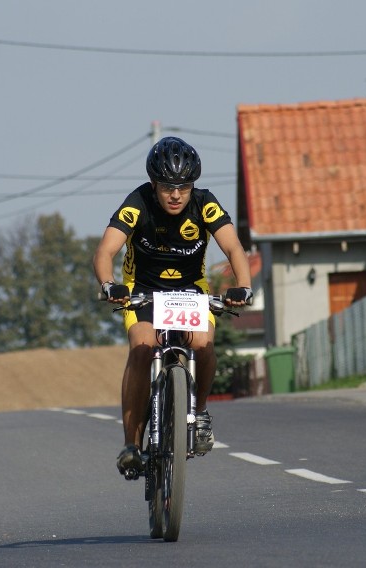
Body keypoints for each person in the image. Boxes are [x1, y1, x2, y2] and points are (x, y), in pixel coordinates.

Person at [93, 136, 252, 478]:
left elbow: (235, 249)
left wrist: (244, 286)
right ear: (154, 184)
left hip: (191, 290)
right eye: (167, 187)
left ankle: (202, 412)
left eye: (184, 186)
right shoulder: (138, 203)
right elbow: (106, 251)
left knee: (202, 343)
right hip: (142, 291)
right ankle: (132, 445)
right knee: (142, 347)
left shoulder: (205, 204)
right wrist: (110, 285)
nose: (176, 195)